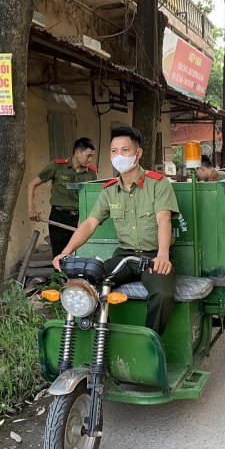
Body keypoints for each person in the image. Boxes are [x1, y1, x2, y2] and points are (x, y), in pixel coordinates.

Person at [52, 126, 179, 334]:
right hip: (124, 257)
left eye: (125, 150)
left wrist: (163, 255)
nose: (119, 156)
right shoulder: (110, 190)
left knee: (162, 295)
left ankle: (150, 342)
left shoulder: (158, 183)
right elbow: (89, 223)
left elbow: (163, 219)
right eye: (114, 151)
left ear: (138, 153)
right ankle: (102, 336)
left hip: (154, 257)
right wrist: (66, 252)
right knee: (87, 285)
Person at [27, 138, 97, 259]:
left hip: (80, 219)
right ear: (77, 153)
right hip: (58, 218)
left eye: (92, 156)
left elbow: (94, 197)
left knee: (80, 257)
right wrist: (31, 209)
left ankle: (76, 279)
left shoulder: (91, 173)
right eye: (88, 155)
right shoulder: (57, 166)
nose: (90, 159)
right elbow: (31, 184)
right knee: (59, 257)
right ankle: (60, 278)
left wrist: (85, 218)